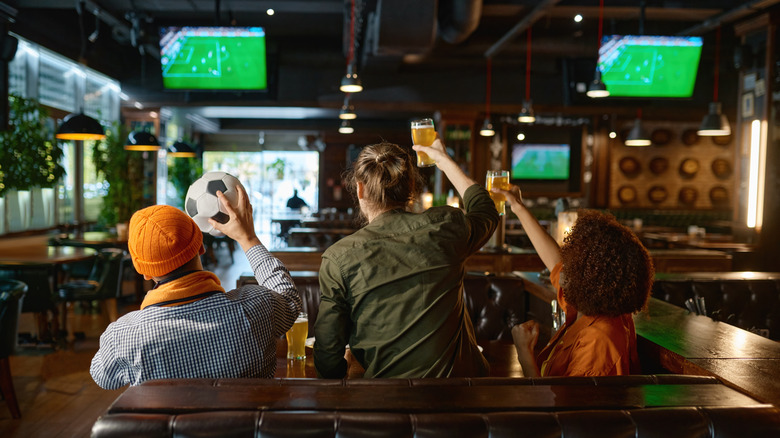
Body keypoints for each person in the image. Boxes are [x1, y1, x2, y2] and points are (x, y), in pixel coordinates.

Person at [313, 139, 499, 378]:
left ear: (359, 189)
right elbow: (485, 209)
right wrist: (443, 160)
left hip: (386, 402)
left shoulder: (338, 258)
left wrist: (345, 376)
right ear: (412, 186)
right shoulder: (446, 227)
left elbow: (327, 360)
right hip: (462, 398)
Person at [90, 185, 302, 389]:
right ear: (200, 246)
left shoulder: (124, 336)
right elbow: (290, 300)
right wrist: (248, 238)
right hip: (249, 426)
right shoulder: (257, 306)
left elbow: (103, 378)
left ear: (144, 271)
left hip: (172, 427)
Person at [493, 184, 653, 377]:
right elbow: (553, 260)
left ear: (590, 278)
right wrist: (517, 206)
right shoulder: (586, 307)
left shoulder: (599, 341)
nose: (564, 263)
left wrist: (524, 354)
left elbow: (563, 407)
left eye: (572, 261)